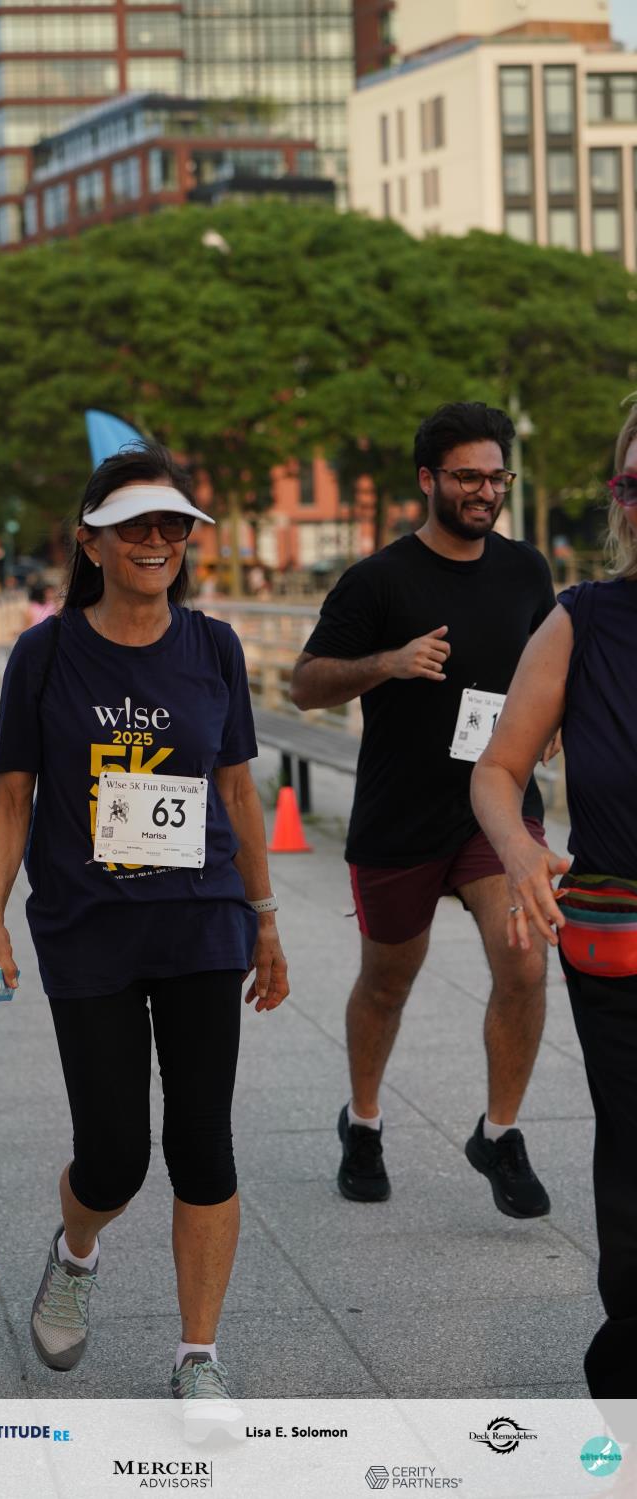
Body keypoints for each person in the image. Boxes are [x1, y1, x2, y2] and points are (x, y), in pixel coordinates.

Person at [0, 442, 289, 1404]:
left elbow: (238, 792)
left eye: (173, 525)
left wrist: (266, 921)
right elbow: (12, 797)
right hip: (88, 927)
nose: (157, 539)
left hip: (200, 921)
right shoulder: (47, 653)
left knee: (204, 1144)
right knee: (113, 1157)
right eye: (134, 525)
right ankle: (76, 1251)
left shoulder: (214, 647)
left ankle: (198, 1356)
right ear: (90, 542)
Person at [290, 401, 557, 1216]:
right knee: (387, 981)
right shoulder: (378, 579)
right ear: (427, 479)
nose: (485, 491)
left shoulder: (527, 570)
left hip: (495, 809)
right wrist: (389, 662)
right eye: (467, 476)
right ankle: (363, 1120)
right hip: (400, 814)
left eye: (497, 477)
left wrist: (556, 720)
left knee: (524, 963)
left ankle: (500, 1132)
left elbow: (550, 669)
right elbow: (305, 684)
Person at [471, 397, 637, 1397]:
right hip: (618, 938)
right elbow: (497, 769)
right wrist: (520, 849)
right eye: (636, 483)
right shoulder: (581, 620)